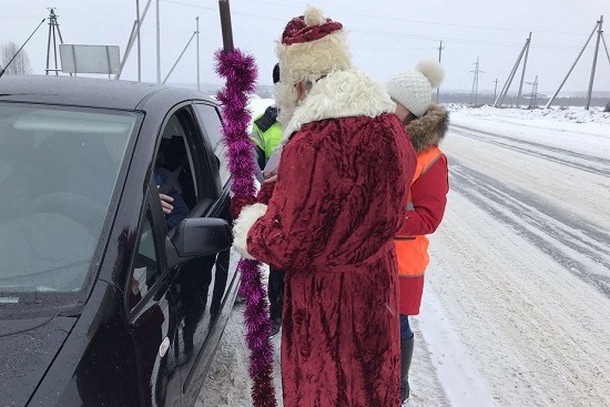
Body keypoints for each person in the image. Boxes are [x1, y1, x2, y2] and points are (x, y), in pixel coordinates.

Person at [232, 6, 416, 406]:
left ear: (300, 83)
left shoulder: (313, 142)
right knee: (370, 387)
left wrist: (251, 227)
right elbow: (359, 198)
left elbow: (290, 242)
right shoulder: (389, 126)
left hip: (327, 304)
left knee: (328, 390)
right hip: (376, 288)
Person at [386, 60, 450, 403]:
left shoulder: (430, 159)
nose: (383, 105)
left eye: (390, 100)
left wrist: (382, 219)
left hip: (401, 261)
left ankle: (400, 385)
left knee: (396, 324)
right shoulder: (384, 142)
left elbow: (430, 217)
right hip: (371, 255)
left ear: (407, 110)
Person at [250, 63, 285, 337]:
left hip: (306, 202)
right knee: (279, 264)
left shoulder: (316, 118)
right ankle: (276, 315)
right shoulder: (265, 123)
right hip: (278, 203)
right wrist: (263, 177)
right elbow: (254, 159)